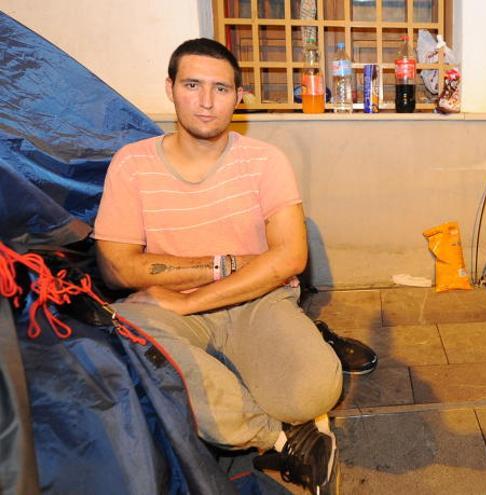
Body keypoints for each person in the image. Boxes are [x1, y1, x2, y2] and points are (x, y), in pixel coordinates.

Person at [93, 38, 341, 493]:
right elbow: (118, 269)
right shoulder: (132, 164)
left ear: (238, 97)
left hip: (256, 300)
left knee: (316, 389)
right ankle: (279, 438)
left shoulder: (265, 161)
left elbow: (290, 258)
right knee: (127, 331)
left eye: (221, 89)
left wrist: (195, 296)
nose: (206, 102)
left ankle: (259, 375)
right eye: (192, 84)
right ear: (170, 88)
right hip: (163, 307)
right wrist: (232, 264)